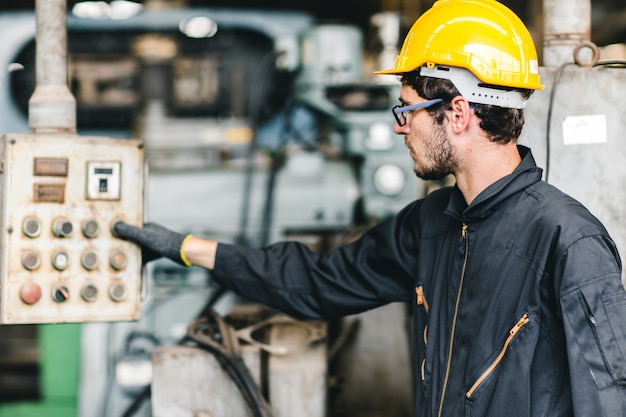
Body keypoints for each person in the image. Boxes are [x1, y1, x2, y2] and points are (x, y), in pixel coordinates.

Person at [113, 0, 626, 415]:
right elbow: (317, 282)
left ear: (459, 112)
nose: (399, 126)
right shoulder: (431, 225)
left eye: (406, 109)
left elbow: (606, 402)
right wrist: (187, 248)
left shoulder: (567, 241)